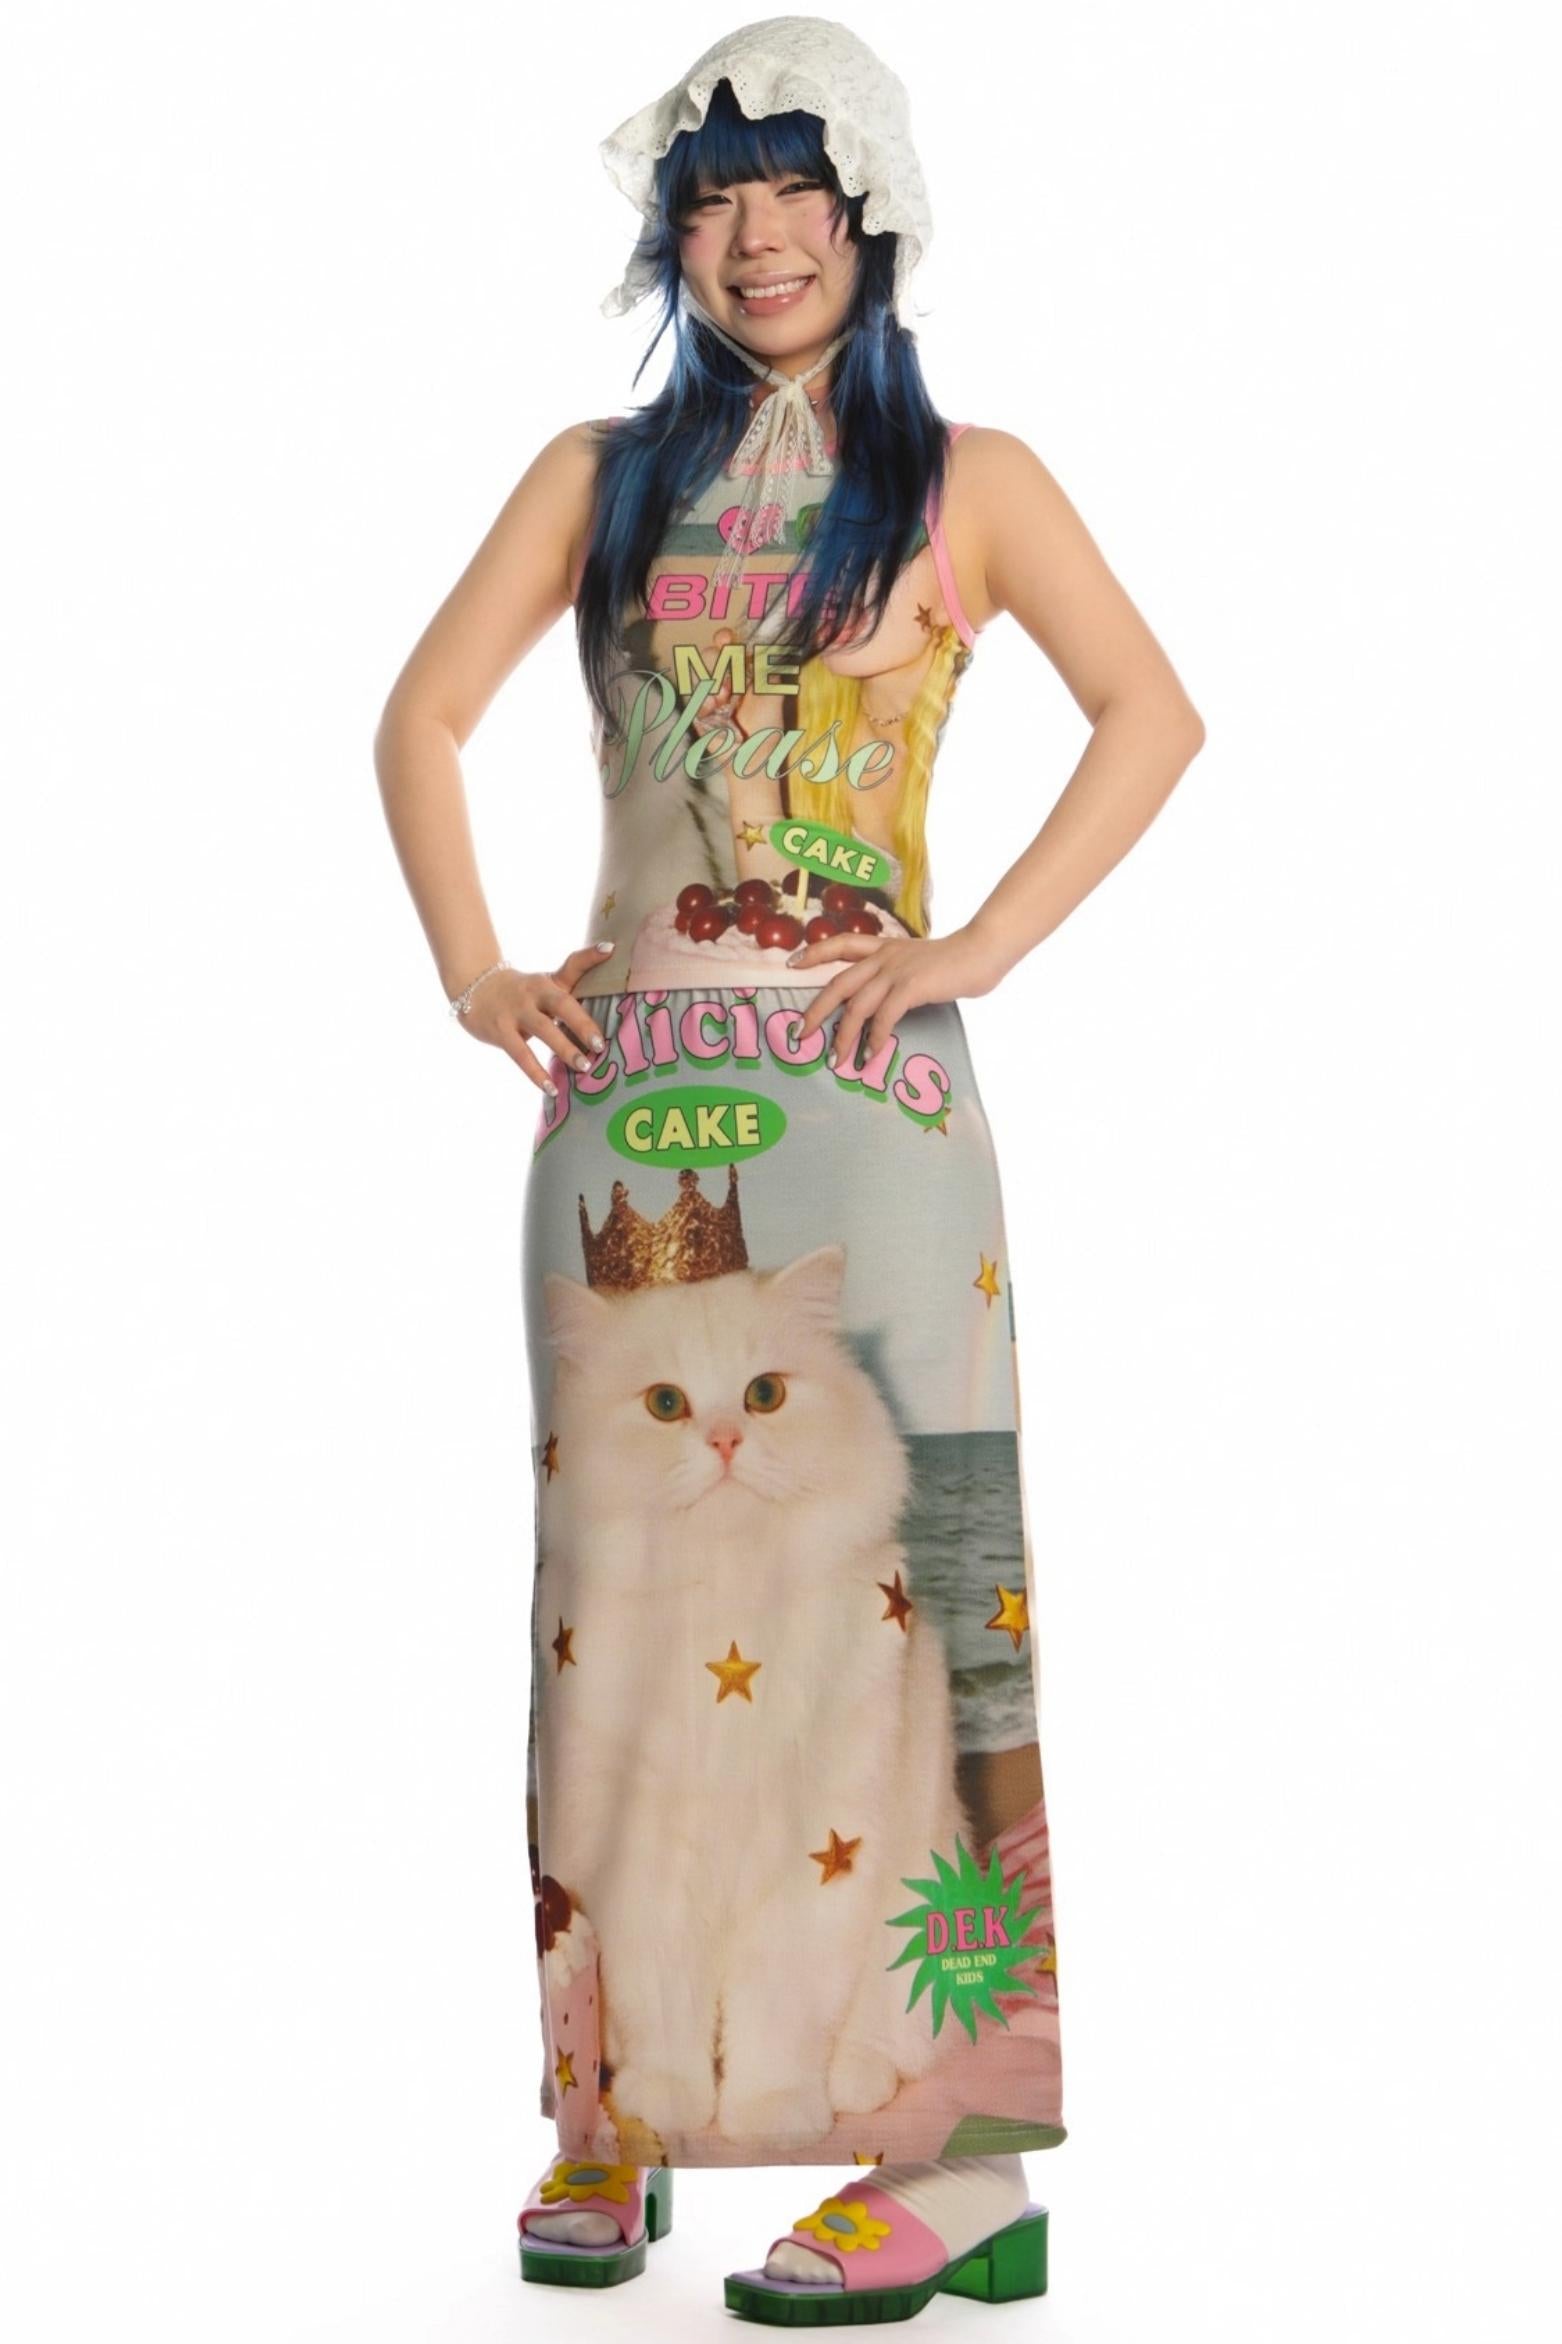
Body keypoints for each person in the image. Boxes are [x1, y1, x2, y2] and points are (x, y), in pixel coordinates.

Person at [373, 16, 1204, 2324]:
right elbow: (417, 715)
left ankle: (957, 2159)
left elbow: (1154, 711)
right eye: (714, 199)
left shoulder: (974, 481)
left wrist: (977, 944)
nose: (756, 239)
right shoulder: (594, 478)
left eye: (796, 193)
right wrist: (475, 968)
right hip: (627, 1099)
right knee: (613, 1597)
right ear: (676, 234)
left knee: (931, 1591)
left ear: (873, 215)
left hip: (880, 1117)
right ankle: (609, 2094)